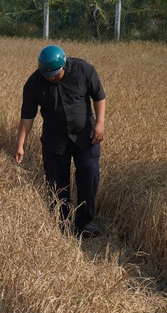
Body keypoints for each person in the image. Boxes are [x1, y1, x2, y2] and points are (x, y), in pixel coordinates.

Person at [15, 45, 106, 237]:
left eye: (55, 74)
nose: (50, 78)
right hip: (55, 138)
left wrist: (100, 123)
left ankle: (85, 223)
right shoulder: (34, 83)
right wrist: (20, 145)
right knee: (57, 183)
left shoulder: (83, 69)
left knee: (89, 177)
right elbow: (27, 117)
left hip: (85, 136)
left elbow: (99, 95)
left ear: (64, 65)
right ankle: (61, 224)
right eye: (47, 74)